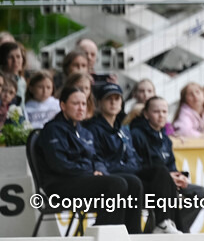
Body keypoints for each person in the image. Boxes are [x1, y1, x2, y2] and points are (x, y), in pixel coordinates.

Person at [39, 86, 143, 232]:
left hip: (83, 179)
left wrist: (100, 170)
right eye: (75, 103)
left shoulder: (84, 132)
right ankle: (104, 236)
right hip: (60, 184)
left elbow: (96, 158)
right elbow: (60, 164)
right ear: (63, 106)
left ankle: (133, 238)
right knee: (116, 184)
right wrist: (90, 172)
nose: (81, 108)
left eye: (84, 104)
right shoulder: (53, 130)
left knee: (133, 183)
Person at [85, 83, 182, 235]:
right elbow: (98, 160)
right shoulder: (93, 128)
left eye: (117, 98)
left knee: (161, 173)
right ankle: (137, 232)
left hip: (129, 172)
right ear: (99, 103)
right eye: (108, 99)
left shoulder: (123, 129)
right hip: (113, 175)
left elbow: (133, 158)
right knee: (135, 181)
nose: (113, 102)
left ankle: (165, 224)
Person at [132, 96, 204, 233]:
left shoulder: (166, 138)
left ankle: (176, 229)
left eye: (164, 111)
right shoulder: (136, 134)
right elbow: (136, 166)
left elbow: (171, 165)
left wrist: (180, 177)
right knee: (167, 186)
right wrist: (168, 177)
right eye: (156, 111)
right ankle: (167, 228)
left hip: (168, 182)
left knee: (200, 193)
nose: (161, 115)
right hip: (148, 184)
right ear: (146, 114)